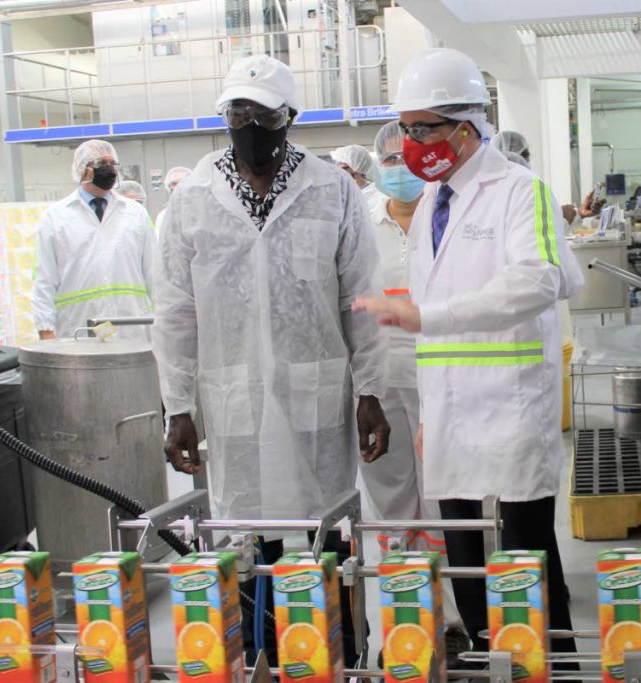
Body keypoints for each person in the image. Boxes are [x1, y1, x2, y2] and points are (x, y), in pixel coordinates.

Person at [151, 54, 390, 663]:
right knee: (246, 539)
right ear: (224, 117)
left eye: (263, 114)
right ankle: (262, 662)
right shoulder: (193, 198)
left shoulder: (331, 189)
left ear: (290, 119)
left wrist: (371, 391)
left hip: (316, 395)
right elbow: (175, 312)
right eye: (237, 113)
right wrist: (177, 407)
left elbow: (360, 302)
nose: (249, 125)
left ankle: (336, 658)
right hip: (233, 400)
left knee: (324, 529)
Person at [353, 47, 584, 663]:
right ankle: (495, 669)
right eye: (404, 128)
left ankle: (555, 674)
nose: (409, 143)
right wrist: (430, 415)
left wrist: (428, 316)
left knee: (526, 571)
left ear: (465, 126)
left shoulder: (519, 190)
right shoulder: (433, 200)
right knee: (468, 573)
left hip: (509, 413)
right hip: (451, 417)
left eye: (421, 128)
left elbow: (539, 279)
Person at [362, 119, 469, 661]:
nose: (397, 168)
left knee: (444, 499)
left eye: (403, 156)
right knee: (390, 505)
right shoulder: (360, 219)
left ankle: (451, 619)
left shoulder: (444, 209)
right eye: (386, 161)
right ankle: (405, 623)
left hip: (440, 375)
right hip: (378, 384)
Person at [32, 139, 156, 341]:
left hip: (131, 324)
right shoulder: (55, 217)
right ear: (82, 168)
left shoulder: (136, 214)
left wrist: (165, 321)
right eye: (100, 164)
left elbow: (155, 272)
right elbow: (44, 279)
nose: (108, 169)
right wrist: (45, 330)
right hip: (78, 327)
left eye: (112, 163)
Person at [332, 144, 386, 213]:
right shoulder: (342, 195)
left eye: (343, 168)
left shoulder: (376, 199)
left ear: (356, 168)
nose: (338, 172)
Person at [154, 166, 191, 236]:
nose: (178, 186)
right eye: (174, 184)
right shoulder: (163, 216)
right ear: (169, 186)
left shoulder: (202, 211)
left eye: (182, 182)